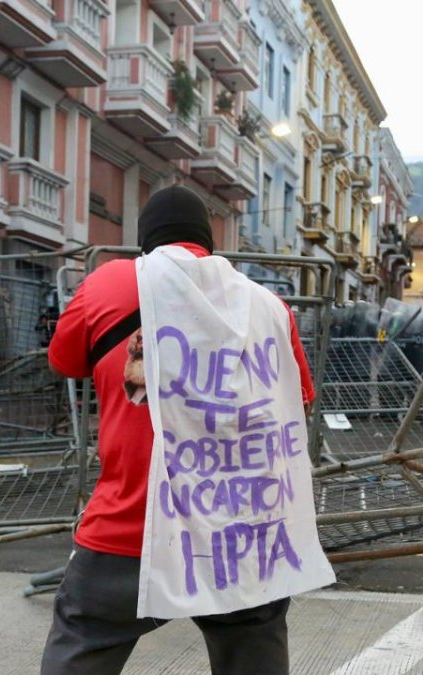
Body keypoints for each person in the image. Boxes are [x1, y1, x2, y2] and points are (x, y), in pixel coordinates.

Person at [40, 185, 317, 675]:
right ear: (208, 243)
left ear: (146, 242)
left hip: (131, 524)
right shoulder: (269, 306)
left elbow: (64, 359)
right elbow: (299, 402)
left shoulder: (108, 284)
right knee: (253, 650)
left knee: (83, 643)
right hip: (240, 532)